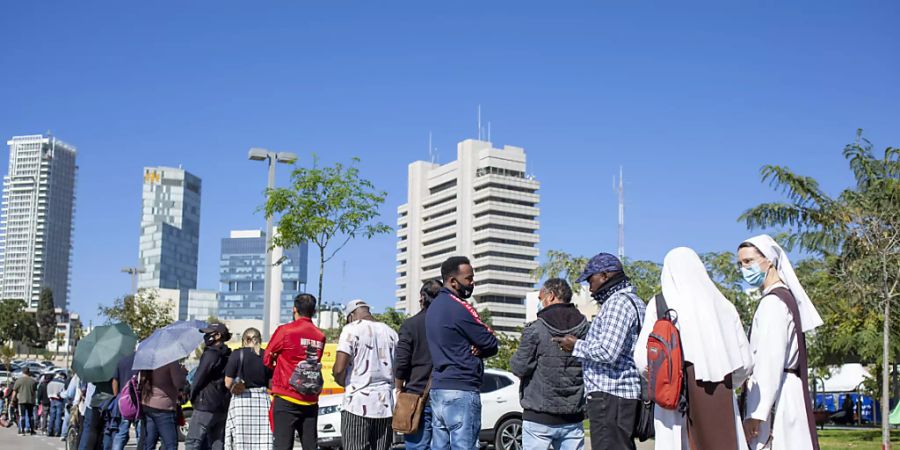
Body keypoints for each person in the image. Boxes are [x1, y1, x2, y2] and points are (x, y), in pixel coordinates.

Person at [634, 247, 754, 449]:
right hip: (720, 393)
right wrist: (724, 383)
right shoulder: (723, 306)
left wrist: (663, 379)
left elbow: (642, 359)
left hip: (673, 398)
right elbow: (746, 363)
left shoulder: (660, 304)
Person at [738, 235, 823, 450]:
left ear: (769, 260)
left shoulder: (773, 304)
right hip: (783, 393)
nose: (744, 268)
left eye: (748, 261)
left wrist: (757, 414)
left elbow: (768, 360)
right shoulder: (782, 298)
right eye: (740, 263)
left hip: (777, 399)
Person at [554, 253, 645, 450]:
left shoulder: (617, 303)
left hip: (611, 395)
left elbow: (607, 351)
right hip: (617, 396)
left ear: (604, 276)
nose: (590, 287)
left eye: (590, 280)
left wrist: (575, 345)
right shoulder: (633, 301)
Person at [426, 256, 499, 450]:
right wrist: (480, 347)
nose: (472, 283)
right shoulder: (459, 308)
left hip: (439, 389)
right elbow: (490, 342)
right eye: (469, 279)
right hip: (461, 389)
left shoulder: (433, 308)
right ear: (452, 281)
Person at [511, 278, 590, 450]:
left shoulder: (535, 329)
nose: (539, 303)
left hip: (539, 416)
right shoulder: (586, 328)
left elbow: (519, 367)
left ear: (551, 296)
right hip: (573, 414)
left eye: (540, 299)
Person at [332, 299, 399, 450]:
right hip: (385, 405)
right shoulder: (391, 332)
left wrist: (342, 381)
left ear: (351, 316)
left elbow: (338, 369)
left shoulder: (351, 329)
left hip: (357, 403)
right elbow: (398, 369)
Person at [263, 293, 326, 450]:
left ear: (294, 309)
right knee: (310, 446)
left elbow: (266, 359)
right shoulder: (320, 336)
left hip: (286, 396)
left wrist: (277, 363)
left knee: (283, 446)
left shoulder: (285, 331)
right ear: (314, 311)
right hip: (310, 399)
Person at [394, 279, 442, 450]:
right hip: (444, 394)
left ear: (422, 297)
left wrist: (399, 387)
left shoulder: (411, 325)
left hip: (416, 395)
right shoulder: (449, 324)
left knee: (417, 446)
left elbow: (402, 361)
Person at [224, 327, 274, 450]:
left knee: (240, 439)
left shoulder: (236, 354)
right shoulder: (266, 355)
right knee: (264, 440)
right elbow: (271, 384)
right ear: (259, 340)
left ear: (244, 340)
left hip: (241, 401)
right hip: (262, 401)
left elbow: (227, 382)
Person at [186, 323, 233, 450]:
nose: (206, 336)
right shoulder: (228, 354)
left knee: (192, 442)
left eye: (209, 333)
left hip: (205, 404)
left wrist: (192, 395)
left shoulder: (211, 354)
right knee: (217, 442)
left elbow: (199, 378)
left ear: (218, 335)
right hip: (222, 405)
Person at [140, 361, 188, 450]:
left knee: (149, 444)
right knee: (171, 444)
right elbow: (179, 383)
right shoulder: (171, 362)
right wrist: (182, 373)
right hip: (164, 407)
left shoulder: (149, 361)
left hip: (147, 404)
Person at [111, 350, 138, 450]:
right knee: (140, 432)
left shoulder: (122, 361)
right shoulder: (142, 362)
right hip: (138, 402)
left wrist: (117, 396)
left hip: (124, 401)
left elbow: (115, 381)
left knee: (122, 431)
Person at [13, 367, 37, 435]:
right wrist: (35, 400)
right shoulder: (33, 381)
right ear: (29, 372)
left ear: (22, 372)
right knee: (31, 416)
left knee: (22, 416)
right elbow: (35, 393)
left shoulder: (19, 381)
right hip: (30, 400)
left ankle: (22, 430)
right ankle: (32, 430)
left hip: (21, 400)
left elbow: (14, 391)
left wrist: (13, 400)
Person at [46, 373, 67, 437]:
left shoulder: (51, 382)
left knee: (52, 416)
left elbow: (48, 391)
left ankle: (49, 431)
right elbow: (64, 392)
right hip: (59, 400)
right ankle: (57, 432)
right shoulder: (63, 383)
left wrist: (50, 397)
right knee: (58, 417)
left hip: (52, 399)